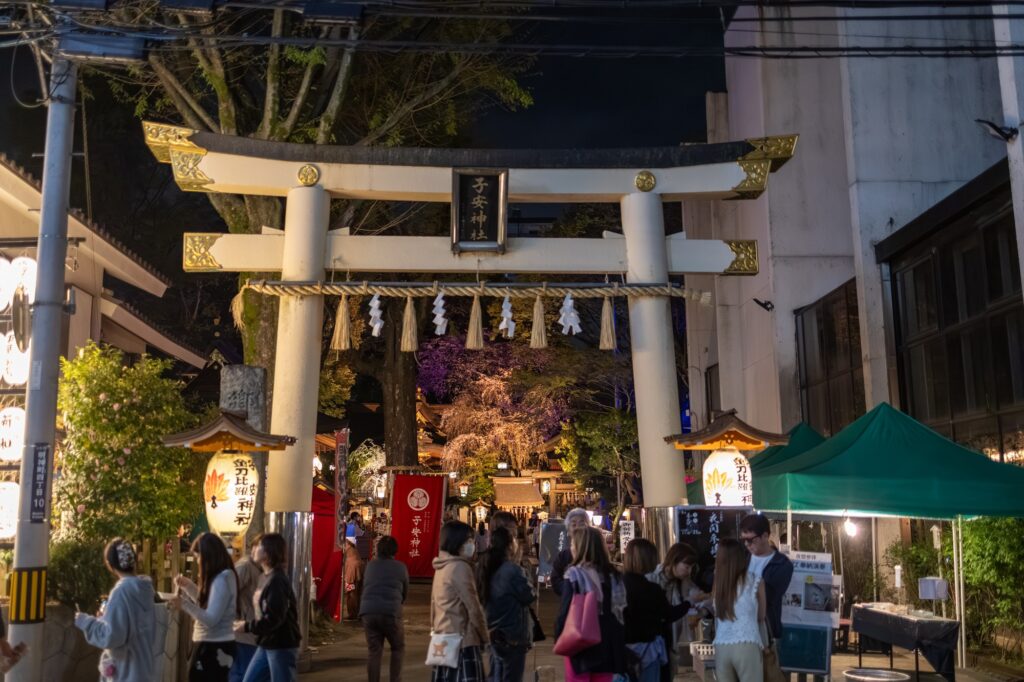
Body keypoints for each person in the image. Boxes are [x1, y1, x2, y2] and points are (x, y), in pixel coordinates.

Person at [74, 538, 156, 682]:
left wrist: (87, 622)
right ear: (134, 561)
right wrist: (104, 619)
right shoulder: (145, 590)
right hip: (144, 670)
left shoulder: (121, 592)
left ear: (110, 565)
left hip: (127, 674)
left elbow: (111, 637)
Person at [554, 526, 626, 682]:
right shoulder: (614, 576)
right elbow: (621, 612)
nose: (571, 548)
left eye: (573, 544)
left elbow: (565, 613)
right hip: (608, 646)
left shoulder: (575, 575)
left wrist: (559, 638)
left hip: (581, 645)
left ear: (580, 548)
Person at [172, 533, 240, 681]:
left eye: (198, 557)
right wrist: (188, 586)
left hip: (213, 646)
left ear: (208, 556)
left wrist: (183, 604)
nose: (197, 561)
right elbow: (208, 603)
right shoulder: (224, 576)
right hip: (216, 645)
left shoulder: (222, 579)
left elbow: (210, 619)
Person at [235, 533, 301, 682]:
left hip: (280, 644)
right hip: (266, 642)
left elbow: (274, 617)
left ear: (268, 552)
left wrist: (247, 626)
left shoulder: (277, 580)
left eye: (259, 546)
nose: (254, 549)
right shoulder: (264, 577)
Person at [430, 521, 489, 682]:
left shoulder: (441, 566)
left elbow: (434, 606)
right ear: (458, 543)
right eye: (469, 541)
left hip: (442, 639)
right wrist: (485, 637)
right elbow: (473, 607)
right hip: (462, 641)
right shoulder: (460, 568)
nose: (473, 545)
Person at [623, 539, 688, 682]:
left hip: (623, 651)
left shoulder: (618, 585)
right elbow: (668, 614)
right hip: (648, 651)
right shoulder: (652, 589)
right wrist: (688, 604)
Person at [478, 526, 535, 682]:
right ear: (510, 545)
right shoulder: (512, 570)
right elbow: (529, 595)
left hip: (492, 632)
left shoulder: (484, 566)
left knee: (495, 675)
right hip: (512, 634)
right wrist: (524, 571)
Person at [646, 542, 709, 677]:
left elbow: (700, 599)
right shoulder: (652, 579)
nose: (689, 571)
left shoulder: (683, 582)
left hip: (670, 641)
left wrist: (700, 613)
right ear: (674, 561)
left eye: (692, 567)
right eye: (686, 566)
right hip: (652, 641)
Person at [711, 539, 766, 682]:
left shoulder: (718, 584)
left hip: (722, 646)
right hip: (747, 643)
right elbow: (761, 616)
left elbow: (717, 614)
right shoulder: (756, 581)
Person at [359, 535, 409, 682]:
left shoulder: (371, 565)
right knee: (397, 648)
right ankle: (395, 679)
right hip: (390, 612)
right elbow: (404, 592)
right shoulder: (400, 567)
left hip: (368, 612)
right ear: (395, 550)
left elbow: (365, 585)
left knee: (374, 651)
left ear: (378, 549)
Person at [739, 514, 793, 643]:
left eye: (751, 540)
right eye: (744, 540)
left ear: (765, 536)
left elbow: (769, 596)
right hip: (738, 629)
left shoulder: (782, 564)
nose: (747, 544)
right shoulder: (741, 558)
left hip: (765, 631)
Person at [231, 538, 264, 682]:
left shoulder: (258, 569)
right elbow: (230, 592)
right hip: (244, 633)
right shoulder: (245, 566)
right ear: (254, 548)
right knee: (243, 674)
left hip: (252, 632)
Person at [550, 508, 589, 596]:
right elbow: (555, 580)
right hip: (570, 603)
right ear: (568, 530)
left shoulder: (594, 550)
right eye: (574, 524)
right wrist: (570, 589)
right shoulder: (563, 556)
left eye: (581, 524)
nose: (578, 527)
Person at [344, 535, 365, 621]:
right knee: (356, 593)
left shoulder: (349, 550)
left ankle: (353, 614)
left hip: (351, 572)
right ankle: (357, 613)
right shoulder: (354, 550)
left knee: (351, 593)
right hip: (357, 571)